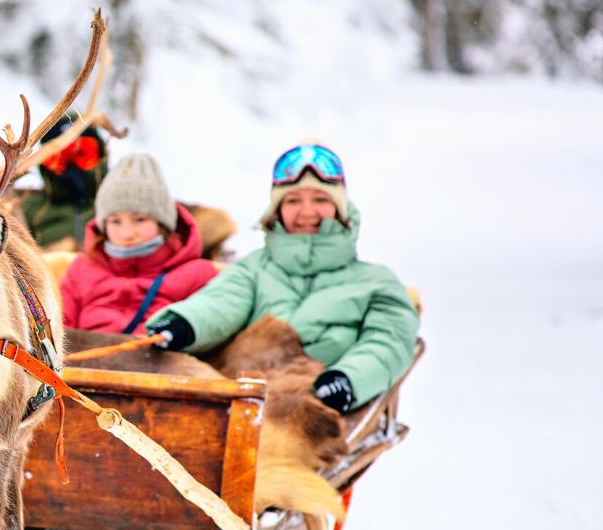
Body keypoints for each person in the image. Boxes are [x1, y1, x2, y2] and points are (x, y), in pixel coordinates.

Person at [145, 143, 419, 413]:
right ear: (277, 209)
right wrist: (186, 323)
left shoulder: (376, 283)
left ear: (340, 208)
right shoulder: (254, 268)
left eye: (321, 200)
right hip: (242, 399)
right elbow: (221, 303)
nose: (307, 211)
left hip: (312, 409)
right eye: (293, 201)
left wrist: (347, 379)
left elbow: (388, 342)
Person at [61, 153, 219, 334]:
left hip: (162, 360)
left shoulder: (198, 274)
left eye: (140, 220)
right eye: (115, 222)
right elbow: (60, 327)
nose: (127, 234)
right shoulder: (81, 270)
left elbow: (211, 323)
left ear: (161, 224)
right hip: (83, 359)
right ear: (103, 225)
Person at [20, 114, 108, 251]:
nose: (71, 167)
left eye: (82, 153)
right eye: (59, 157)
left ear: (101, 156)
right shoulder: (26, 211)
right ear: (43, 163)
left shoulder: (121, 209)